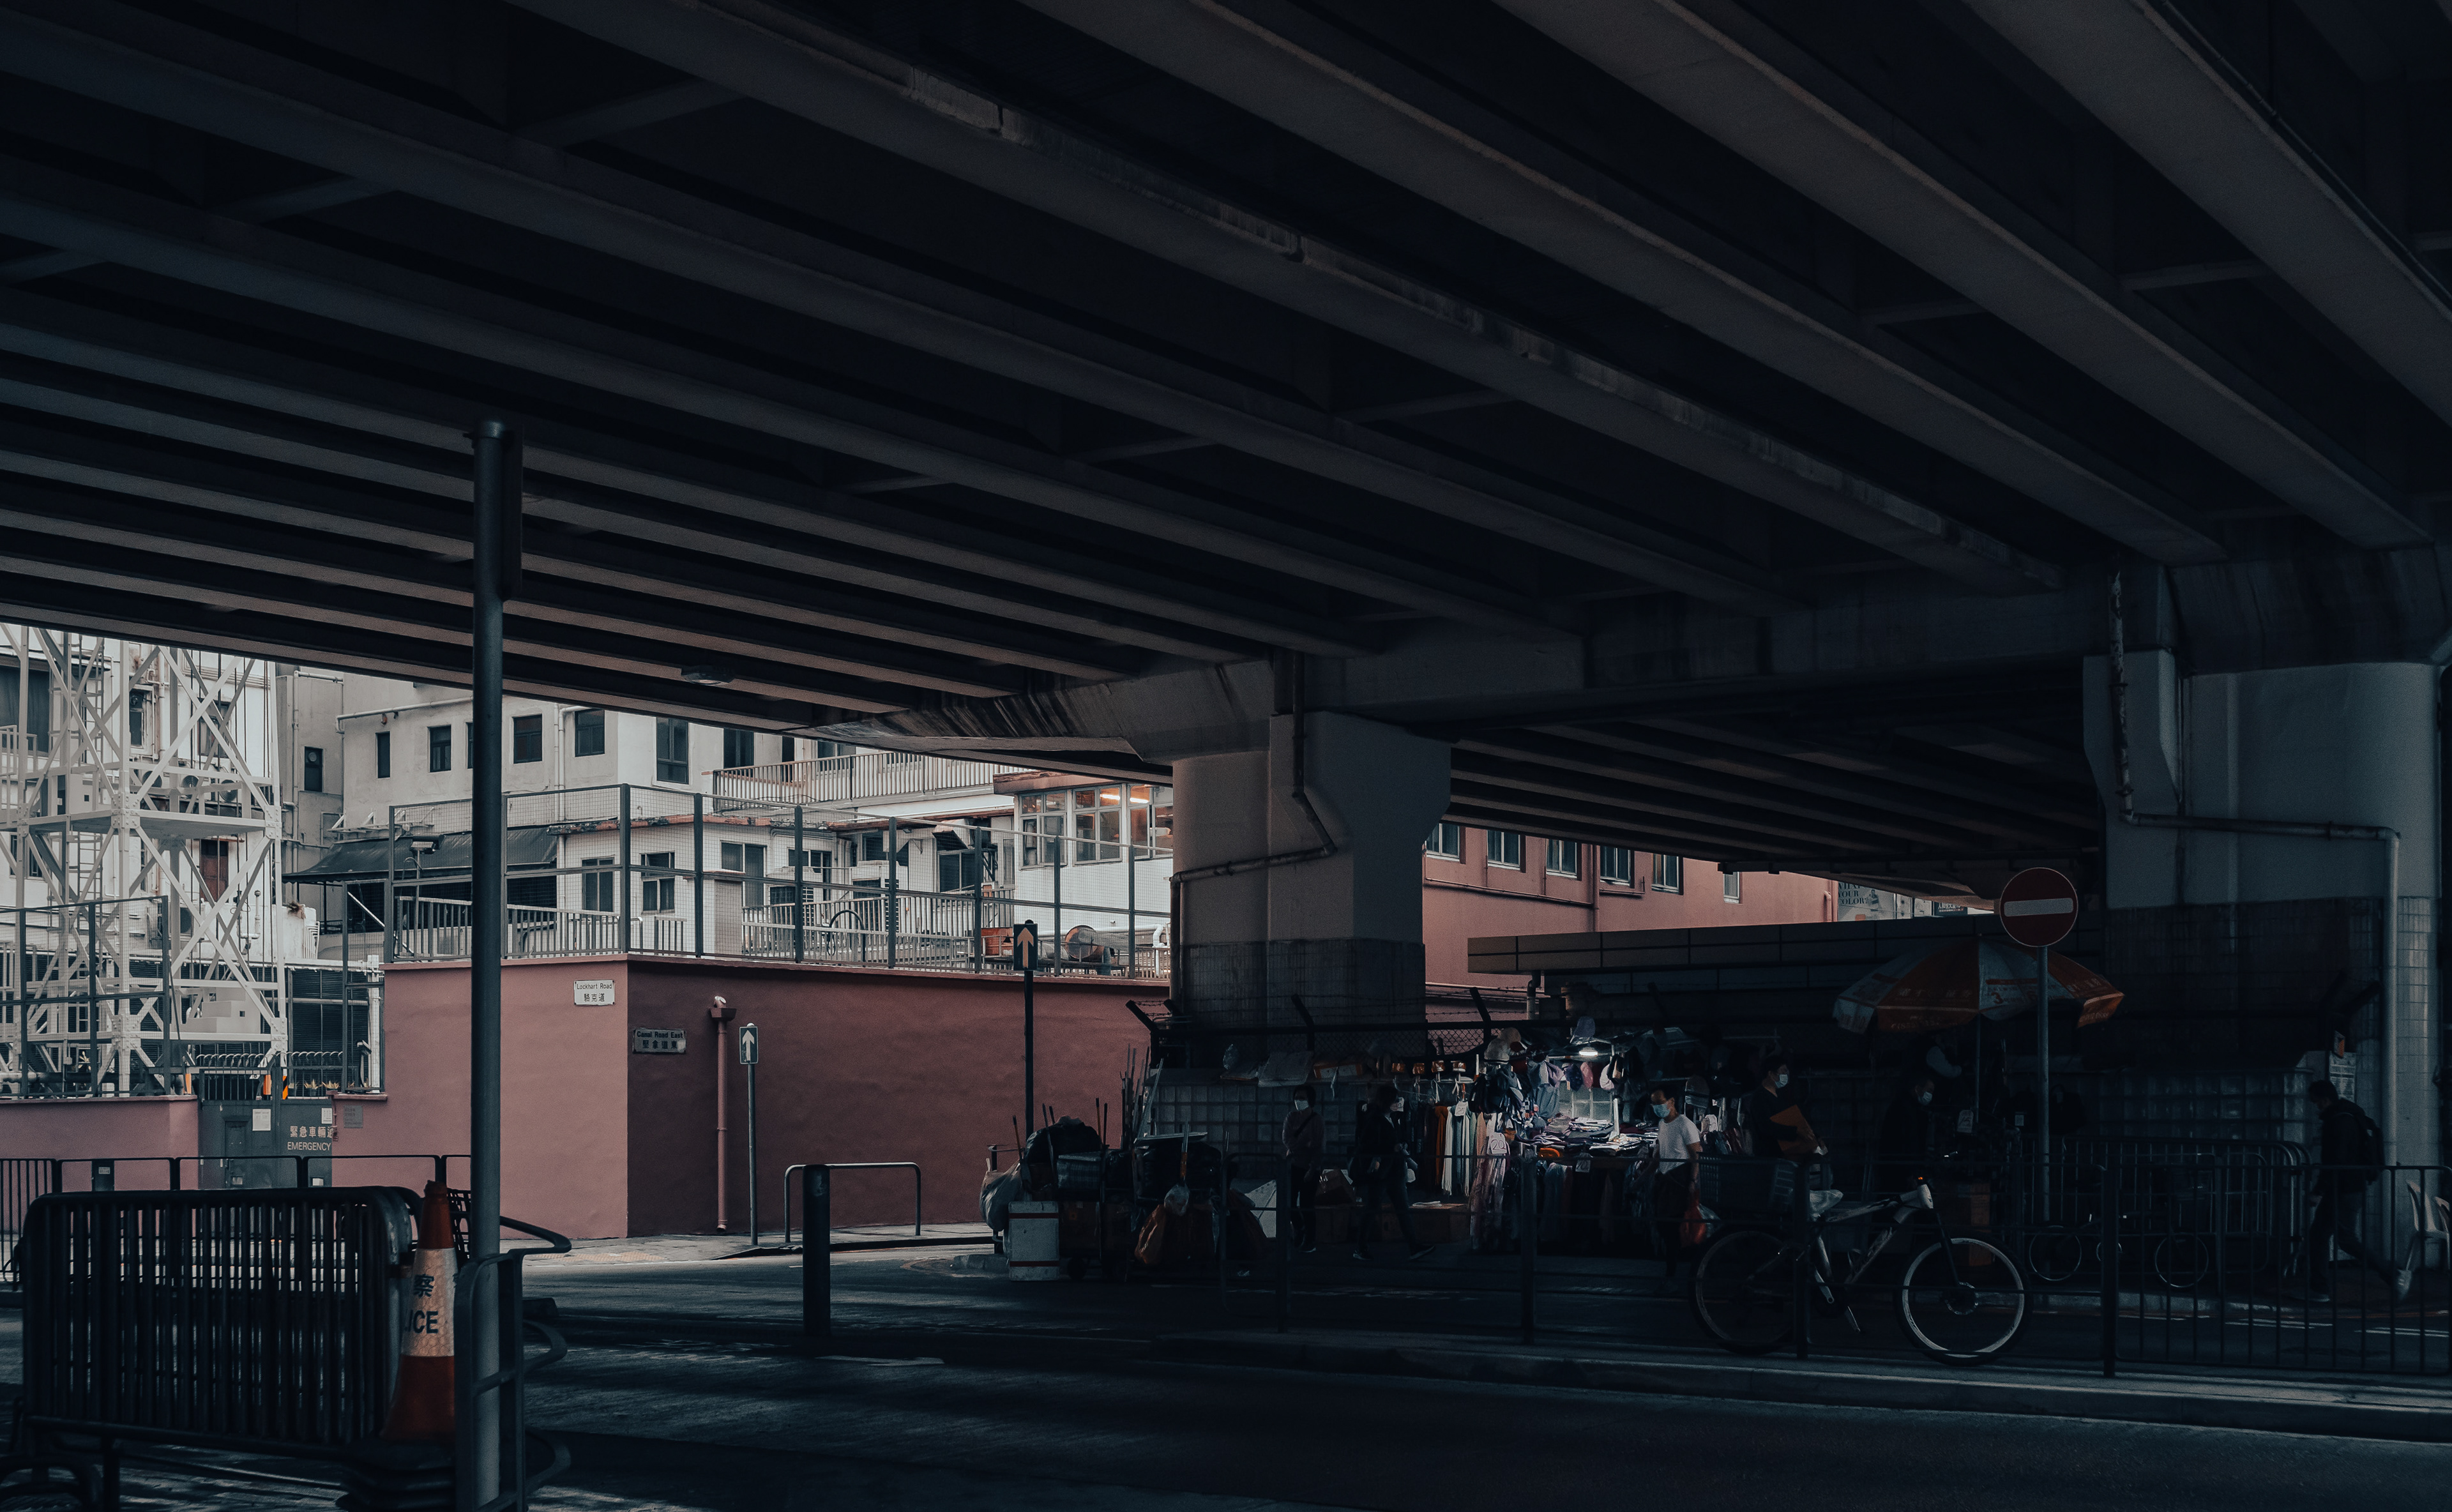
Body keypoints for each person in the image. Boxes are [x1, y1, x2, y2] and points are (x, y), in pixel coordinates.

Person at [2304, 1079, 2409, 1303]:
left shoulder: (2339, 1121)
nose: (2316, 1107)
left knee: (2345, 1239)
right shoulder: (2351, 1116)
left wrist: (2319, 1191)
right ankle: (2319, 1289)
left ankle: (2395, 1273)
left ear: (2325, 1099)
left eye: (2317, 1102)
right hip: (2350, 1187)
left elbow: (2335, 1160)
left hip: (2344, 1188)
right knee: (2321, 1236)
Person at [1351, 1084, 1432, 1262]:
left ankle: (1413, 1246)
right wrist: (1392, 1148)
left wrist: (1401, 1144)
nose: (1398, 1103)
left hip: (1393, 1172)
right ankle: (1361, 1247)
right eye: (1395, 1100)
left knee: (1401, 1209)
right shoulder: (1375, 1120)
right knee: (1374, 1209)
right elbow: (1368, 1145)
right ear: (1387, 1101)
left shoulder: (1391, 1118)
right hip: (1381, 1173)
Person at [1648, 1087, 1704, 1293]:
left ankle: (1675, 1277)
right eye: (1654, 1104)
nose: (1657, 1107)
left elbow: (1696, 1155)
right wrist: (1642, 1179)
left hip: (1679, 1183)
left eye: (1659, 1102)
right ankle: (1675, 1275)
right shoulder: (1662, 1125)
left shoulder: (1685, 1125)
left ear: (1671, 1101)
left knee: (1674, 1231)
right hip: (1665, 1182)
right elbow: (1658, 1155)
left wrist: (1692, 1182)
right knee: (1666, 1229)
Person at [1743, 1057, 1821, 1162]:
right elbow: (1766, 1127)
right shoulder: (1760, 1098)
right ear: (1771, 1074)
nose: (1787, 1075)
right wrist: (1796, 1131)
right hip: (1769, 1157)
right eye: (1783, 1071)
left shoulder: (1780, 1095)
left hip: (1785, 1154)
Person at [1281, 1085, 1324, 1254]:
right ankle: (1300, 1228)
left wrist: (1312, 1169)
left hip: (1310, 1168)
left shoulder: (1317, 1120)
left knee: (1307, 1205)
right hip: (1293, 1166)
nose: (1298, 1101)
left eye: (1302, 1098)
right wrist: (1305, 1145)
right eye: (1296, 1097)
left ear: (1310, 1100)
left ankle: (1310, 1240)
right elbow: (1286, 1139)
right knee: (1289, 1203)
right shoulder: (1291, 1117)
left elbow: (1319, 1147)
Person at [1877, 1075, 1937, 1191]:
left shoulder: (1906, 1107)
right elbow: (1905, 1141)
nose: (1930, 1095)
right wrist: (1909, 1172)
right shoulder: (1905, 1109)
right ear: (1917, 1089)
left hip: (1897, 1167)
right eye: (1929, 1091)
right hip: (1898, 1168)